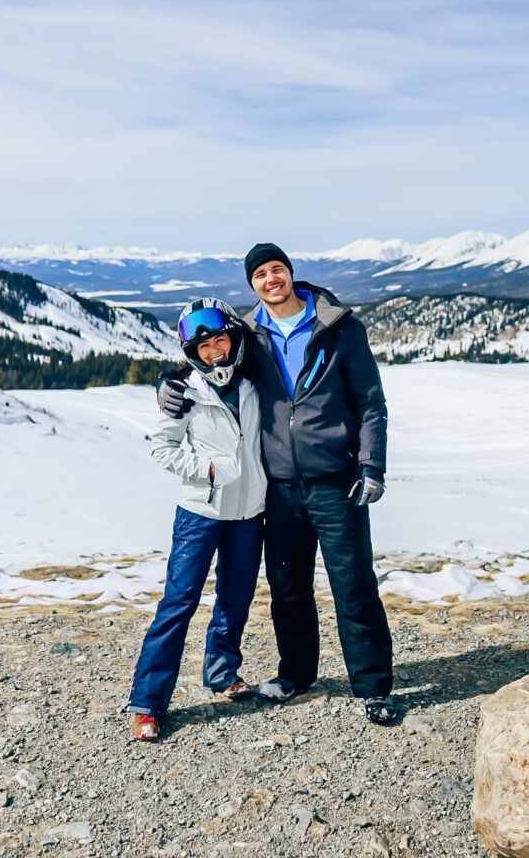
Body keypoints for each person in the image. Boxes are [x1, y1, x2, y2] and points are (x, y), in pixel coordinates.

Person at [158, 244, 395, 725]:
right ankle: (297, 674)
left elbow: (370, 401)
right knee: (288, 587)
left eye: (277, 269)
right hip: (280, 488)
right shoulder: (249, 336)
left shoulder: (339, 327)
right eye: (261, 274)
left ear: (290, 273)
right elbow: (210, 367)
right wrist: (167, 382)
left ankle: (373, 686)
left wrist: (371, 466)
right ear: (252, 285)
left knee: (353, 587)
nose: (271, 279)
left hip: (336, 482)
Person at [127, 298, 266, 740]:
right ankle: (147, 702)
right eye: (204, 346)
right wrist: (204, 469)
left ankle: (223, 672)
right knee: (178, 603)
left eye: (220, 339)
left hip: (249, 512)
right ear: (192, 352)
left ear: (233, 339)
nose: (215, 351)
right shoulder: (186, 392)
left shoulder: (255, 385)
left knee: (236, 598)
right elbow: (160, 447)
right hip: (200, 513)